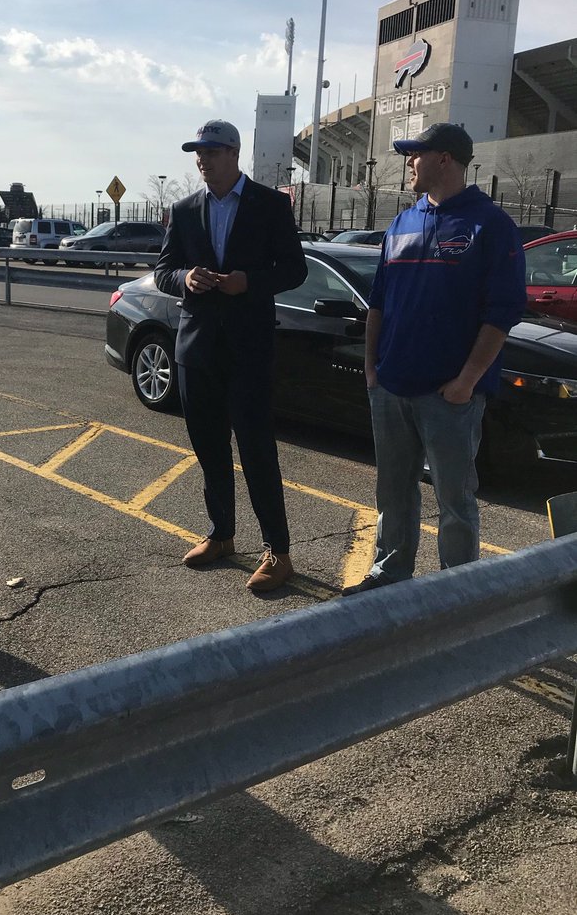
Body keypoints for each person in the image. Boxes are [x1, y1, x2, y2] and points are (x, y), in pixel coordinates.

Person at [342, 122, 526, 596]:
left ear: (444, 159)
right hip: (391, 385)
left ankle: (456, 591)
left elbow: (502, 313)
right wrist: (371, 370)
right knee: (394, 488)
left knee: (455, 497)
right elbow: (378, 302)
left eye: (415, 154)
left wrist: (467, 380)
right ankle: (390, 572)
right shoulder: (402, 223)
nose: (409, 163)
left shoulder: (490, 225)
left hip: (450, 395)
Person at [155, 119, 307, 592]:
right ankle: (222, 535)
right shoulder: (183, 209)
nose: (202, 159)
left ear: (234, 153)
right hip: (197, 349)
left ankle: (278, 553)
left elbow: (295, 269)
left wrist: (249, 281)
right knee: (209, 450)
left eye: (211, 151)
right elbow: (163, 270)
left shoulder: (270, 204)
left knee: (257, 450)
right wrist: (186, 279)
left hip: (248, 350)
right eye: (197, 153)